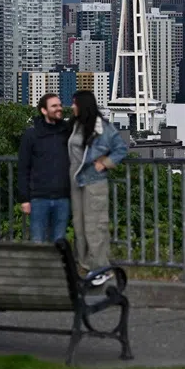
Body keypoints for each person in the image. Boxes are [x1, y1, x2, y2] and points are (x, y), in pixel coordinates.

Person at [68, 90, 128, 287]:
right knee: (80, 226)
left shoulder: (103, 128)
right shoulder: (75, 125)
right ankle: (86, 265)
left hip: (94, 182)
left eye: (75, 103)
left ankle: (101, 268)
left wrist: (106, 162)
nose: (72, 107)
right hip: (77, 182)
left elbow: (121, 148)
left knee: (96, 225)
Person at [18, 93, 71, 244]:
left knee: (59, 242)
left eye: (60, 105)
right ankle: (38, 268)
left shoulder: (66, 133)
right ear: (43, 110)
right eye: (54, 106)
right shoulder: (31, 135)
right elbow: (23, 168)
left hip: (63, 198)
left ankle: (56, 268)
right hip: (39, 198)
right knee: (38, 242)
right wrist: (25, 199)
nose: (59, 108)